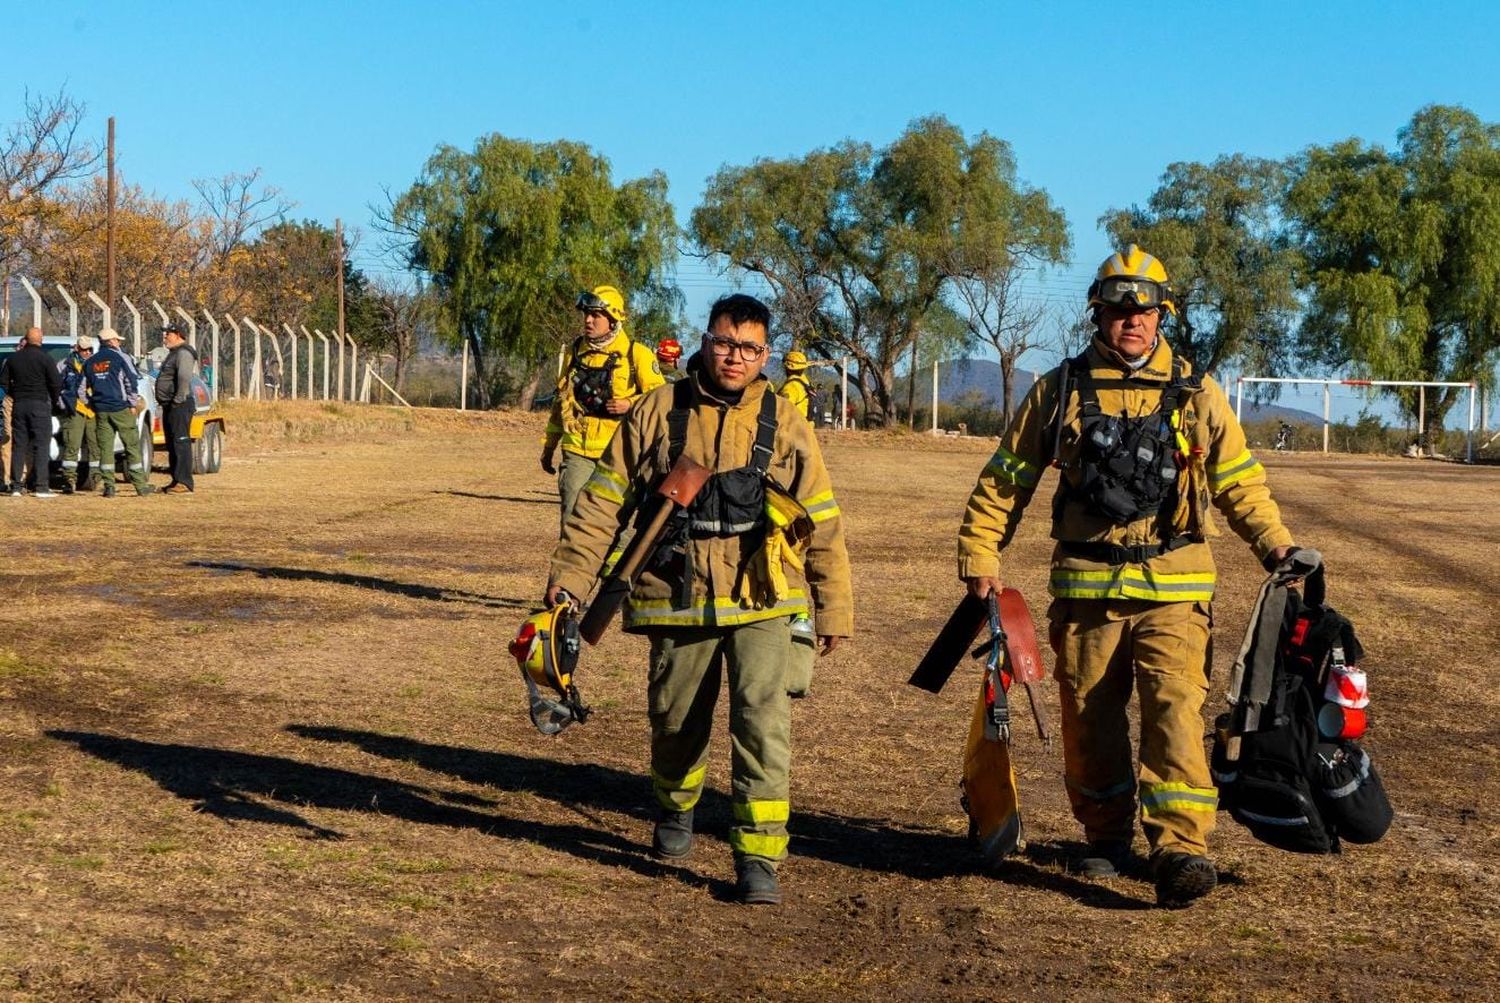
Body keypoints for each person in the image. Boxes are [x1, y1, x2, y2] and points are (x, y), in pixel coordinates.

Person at [956, 246, 1297, 908]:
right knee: (1090, 723)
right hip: (1085, 595)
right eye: (1119, 309)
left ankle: (1180, 849)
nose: (1132, 320)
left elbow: (1239, 482)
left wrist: (1277, 547)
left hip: (1175, 592)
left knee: (1173, 712)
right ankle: (1105, 839)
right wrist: (980, 553)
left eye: (1144, 309)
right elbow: (1006, 479)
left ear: (1162, 315)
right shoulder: (1057, 390)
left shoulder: (1198, 394)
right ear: (1098, 315)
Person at [546, 293, 853, 906]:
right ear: (704, 341)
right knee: (675, 718)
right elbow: (602, 502)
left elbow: (820, 515)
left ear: (765, 354)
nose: (733, 357)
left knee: (763, 721)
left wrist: (833, 605)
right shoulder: (657, 410)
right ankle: (676, 809)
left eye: (748, 348)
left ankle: (758, 854)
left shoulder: (786, 420)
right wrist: (568, 583)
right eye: (723, 342)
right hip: (676, 594)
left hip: (763, 596)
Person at [540, 285, 664, 531]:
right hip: (576, 451)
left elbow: (659, 398)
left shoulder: (636, 354)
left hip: (620, 454)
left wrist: (630, 403)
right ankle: (575, 568)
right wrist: (549, 445)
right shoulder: (575, 353)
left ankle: (613, 570)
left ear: (613, 318)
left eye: (595, 315)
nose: (588, 320)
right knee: (573, 517)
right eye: (586, 313)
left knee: (617, 523)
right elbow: (560, 402)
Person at [86, 328, 154, 497]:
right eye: (117, 340)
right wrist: (132, 403)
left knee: (105, 448)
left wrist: (91, 403)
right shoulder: (121, 358)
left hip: (101, 410)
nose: (119, 343)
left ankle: (109, 486)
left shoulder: (90, 361)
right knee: (131, 445)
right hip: (120, 408)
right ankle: (140, 486)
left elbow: (81, 388)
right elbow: (131, 381)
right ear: (112, 341)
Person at [2, 327, 62, 497]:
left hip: (19, 405)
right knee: (41, 445)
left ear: (26, 340)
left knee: (19, 445)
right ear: (40, 340)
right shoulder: (45, 359)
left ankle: (16, 486)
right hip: (40, 405)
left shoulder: (13, 359)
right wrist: (54, 400)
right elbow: (56, 383)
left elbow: (4, 383)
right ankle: (41, 486)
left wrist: (15, 394)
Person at [155, 323, 198, 494]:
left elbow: (184, 377)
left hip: (179, 405)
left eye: (168, 334)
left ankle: (184, 482)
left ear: (178, 335)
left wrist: (178, 400)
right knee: (172, 444)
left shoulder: (184, 353)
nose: (165, 338)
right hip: (170, 405)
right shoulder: (174, 353)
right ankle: (175, 480)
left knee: (181, 442)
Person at [57, 333, 100, 494]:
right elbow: (56, 387)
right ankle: (69, 480)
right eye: (84, 349)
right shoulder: (64, 365)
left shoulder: (97, 365)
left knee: (95, 445)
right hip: (74, 409)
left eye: (90, 349)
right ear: (77, 348)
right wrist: (62, 403)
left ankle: (95, 479)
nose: (87, 353)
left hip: (92, 409)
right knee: (71, 445)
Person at [778, 350, 812, 419]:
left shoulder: (791, 386)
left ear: (788, 367)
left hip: (793, 426)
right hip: (805, 425)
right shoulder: (805, 382)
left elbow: (781, 411)